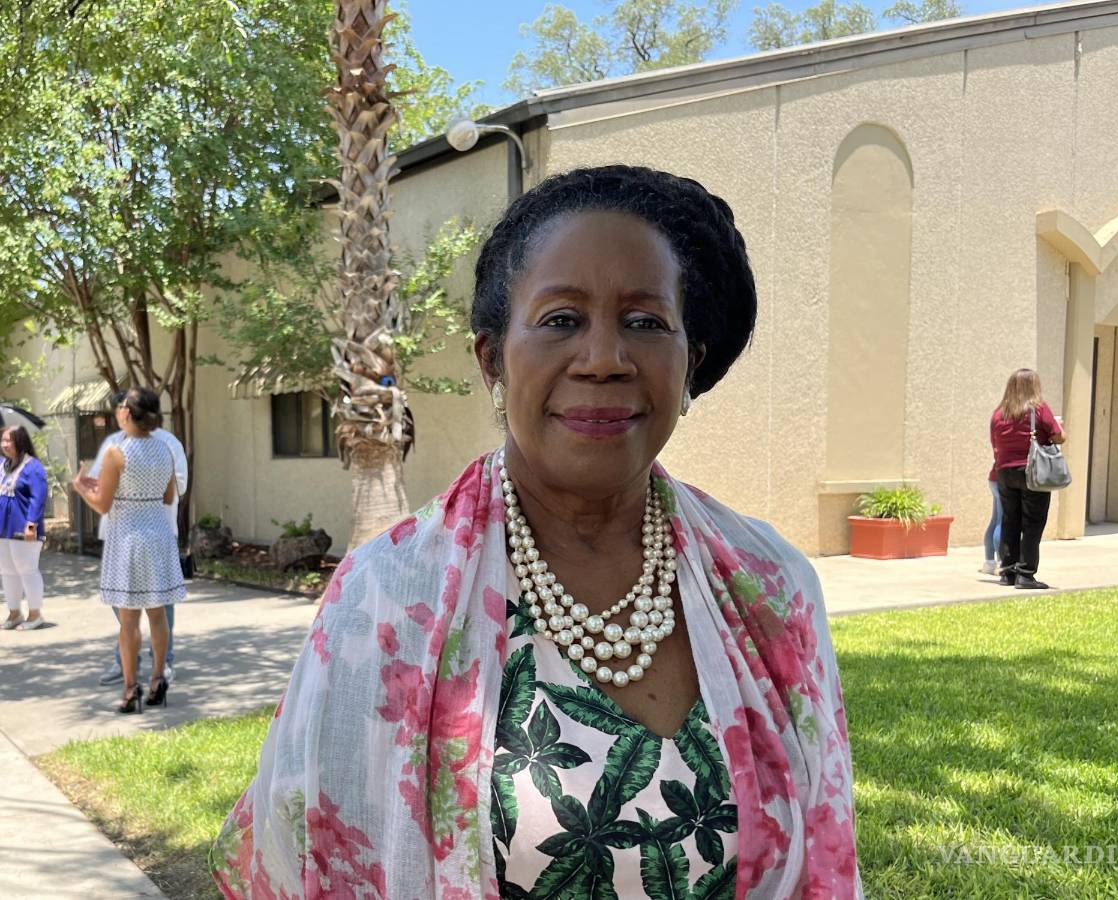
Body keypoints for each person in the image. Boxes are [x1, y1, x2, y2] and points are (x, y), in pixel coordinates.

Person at [212, 166, 863, 899]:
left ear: (692, 365)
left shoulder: (770, 586)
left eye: (646, 323)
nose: (605, 359)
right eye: (561, 319)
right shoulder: (384, 603)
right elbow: (306, 862)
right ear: (492, 358)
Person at [74, 386, 186, 714]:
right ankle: (157, 680)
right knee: (157, 614)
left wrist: (82, 488)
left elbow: (103, 504)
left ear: (127, 413)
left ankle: (129, 688)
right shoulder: (164, 450)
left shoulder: (115, 452)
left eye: (122, 406)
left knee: (128, 620)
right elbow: (167, 498)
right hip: (158, 535)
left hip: (128, 537)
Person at [990, 368, 1065, 590]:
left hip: (1004, 471)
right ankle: (1026, 574)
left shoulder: (998, 413)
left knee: (1010, 521)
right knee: (1032, 523)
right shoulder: (1038, 410)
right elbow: (1058, 436)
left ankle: (1008, 571)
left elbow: (994, 441)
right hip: (1032, 472)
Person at [0, 426, 49, 630]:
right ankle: (14, 613)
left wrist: (32, 524)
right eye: (2, 441)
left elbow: (38, 498)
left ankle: (35, 614)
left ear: (20, 441)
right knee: (7, 571)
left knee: (27, 570)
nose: (4, 445)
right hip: (3, 529)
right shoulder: (4, 465)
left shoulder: (33, 467)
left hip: (24, 529)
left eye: (8, 441)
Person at [980, 465, 1003, 575]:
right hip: (1003, 479)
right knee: (1001, 522)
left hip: (994, 478)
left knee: (995, 521)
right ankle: (1001, 562)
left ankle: (989, 562)